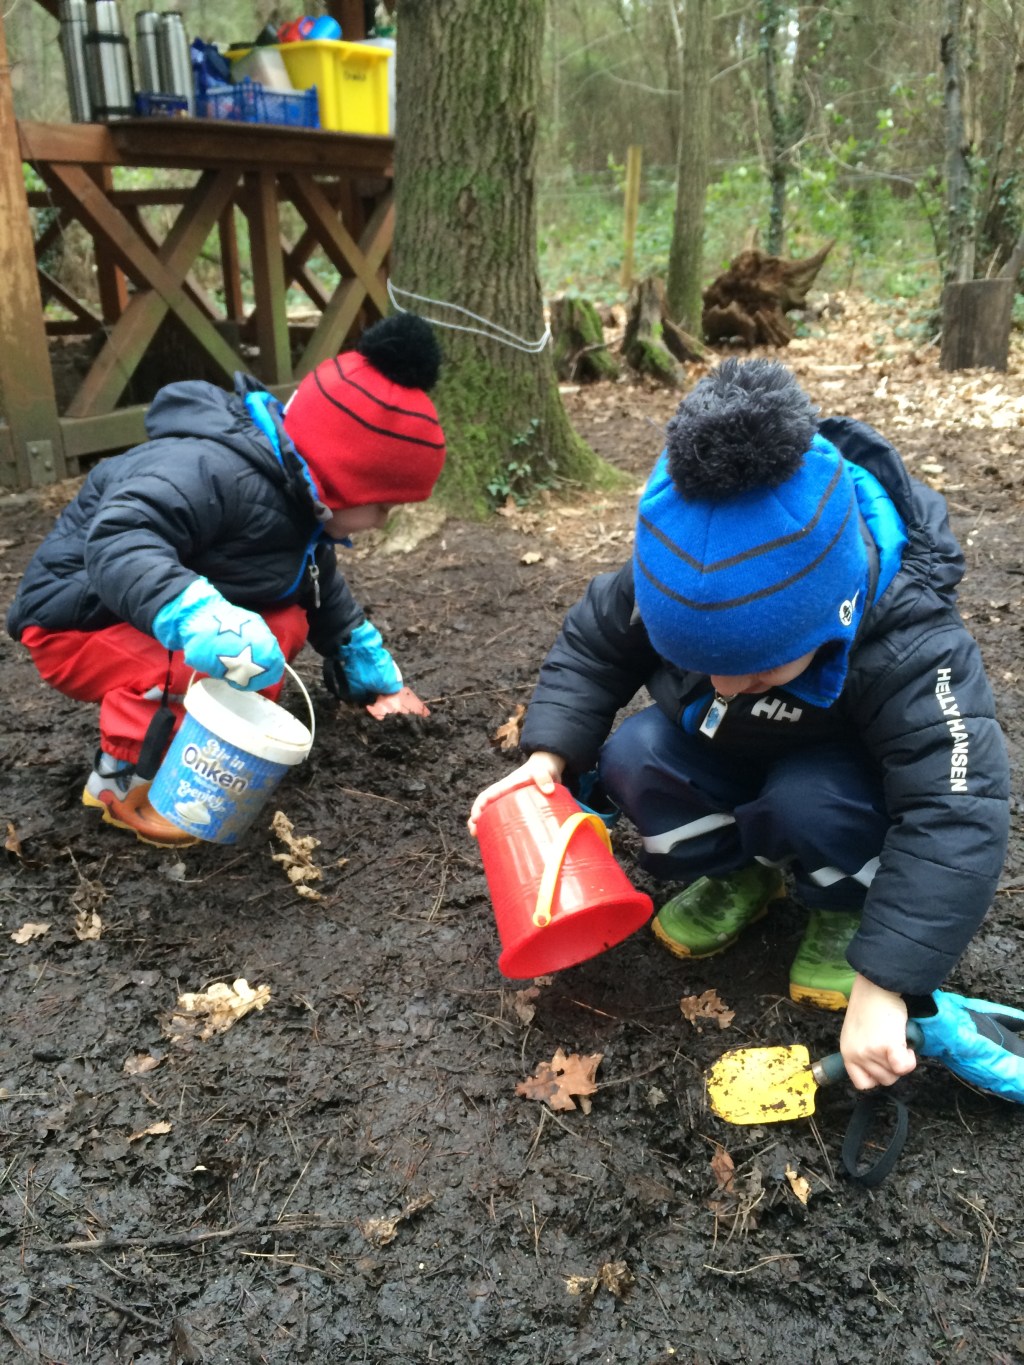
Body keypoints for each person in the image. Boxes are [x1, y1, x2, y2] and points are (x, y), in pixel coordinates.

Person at [469, 358, 1011, 1093]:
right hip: (728, 750)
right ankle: (741, 876)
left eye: (756, 668)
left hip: (838, 786)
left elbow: (957, 807)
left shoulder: (908, 637)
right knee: (636, 754)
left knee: (807, 801)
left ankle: (842, 906)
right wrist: (549, 754)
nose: (725, 683)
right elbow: (596, 642)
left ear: (833, 612)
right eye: (694, 659)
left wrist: (888, 980)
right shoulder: (679, 570)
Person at [8, 313, 446, 848]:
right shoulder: (209, 469)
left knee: (282, 619)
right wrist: (197, 614)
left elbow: (315, 585)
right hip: (77, 617)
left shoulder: (297, 504)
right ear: (339, 476)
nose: (382, 521)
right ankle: (125, 778)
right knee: (186, 661)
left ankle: (214, 733)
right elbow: (121, 538)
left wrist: (361, 659)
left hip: (146, 613)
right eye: (381, 505)